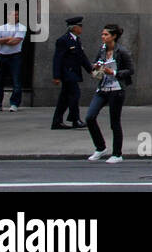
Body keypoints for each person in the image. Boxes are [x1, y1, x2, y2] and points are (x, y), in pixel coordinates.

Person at [86, 23, 134, 163]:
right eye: (102, 34)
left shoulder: (122, 51)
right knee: (90, 117)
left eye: (106, 34)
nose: (103, 37)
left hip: (116, 89)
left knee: (114, 122)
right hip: (102, 88)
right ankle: (100, 147)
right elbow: (96, 63)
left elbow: (130, 70)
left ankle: (117, 154)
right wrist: (95, 67)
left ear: (114, 36)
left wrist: (113, 72)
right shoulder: (102, 50)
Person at [51, 16, 92, 129]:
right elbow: (57, 59)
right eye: (80, 26)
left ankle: (57, 122)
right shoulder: (63, 40)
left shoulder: (77, 40)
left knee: (64, 99)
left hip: (74, 72)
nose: (81, 28)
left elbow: (82, 57)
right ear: (74, 28)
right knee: (75, 94)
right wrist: (56, 76)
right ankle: (75, 119)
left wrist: (91, 70)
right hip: (67, 73)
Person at [0, 7, 26, 112]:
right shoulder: (2, 27)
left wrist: (2, 40)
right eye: (13, 15)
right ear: (8, 16)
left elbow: (15, 42)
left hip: (15, 56)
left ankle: (14, 104)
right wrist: (8, 39)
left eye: (17, 15)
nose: (15, 16)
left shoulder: (21, 27)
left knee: (16, 82)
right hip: (1, 56)